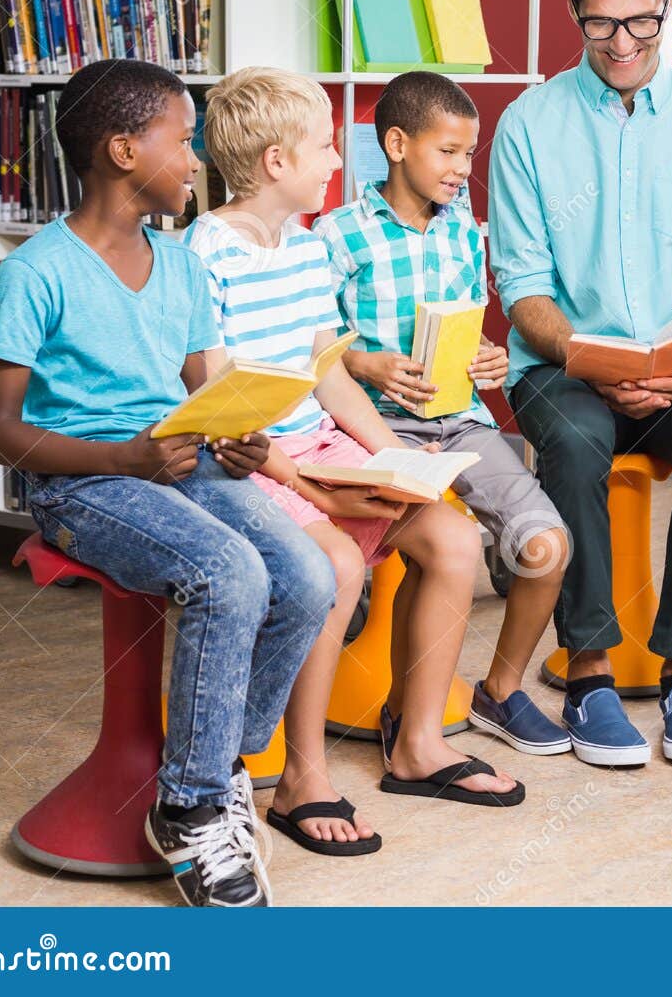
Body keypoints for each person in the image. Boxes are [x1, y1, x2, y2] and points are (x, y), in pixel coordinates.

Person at [0, 59, 337, 906]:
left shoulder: (178, 263)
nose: (198, 159)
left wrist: (236, 434)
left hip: (178, 456)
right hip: (84, 480)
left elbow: (196, 386)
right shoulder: (36, 273)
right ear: (123, 150)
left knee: (310, 572)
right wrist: (123, 459)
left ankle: (220, 768)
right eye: (184, 141)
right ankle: (190, 806)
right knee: (228, 571)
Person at [188, 67, 523, 861]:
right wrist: (303, 479)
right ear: (276, 162)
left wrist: (391, 452)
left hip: (320, 440)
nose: (337, 161)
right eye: (324, 147)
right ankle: (303, 776)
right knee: (336, 563)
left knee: (453, 541)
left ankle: (417, 747)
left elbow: (328, 374)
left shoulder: (305, 248)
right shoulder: (205, 250)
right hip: (248, 454)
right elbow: (212, 393)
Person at [489, 0, 672, 766]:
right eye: (601, 22)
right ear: (574, 9)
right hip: (562, 363)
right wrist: (589, 359)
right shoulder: (529, 124)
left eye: (642, 20)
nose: (623, 42)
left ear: (666, 3)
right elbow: (523, 285)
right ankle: (591, 673)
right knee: (573, 439)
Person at [314, 70, 572, 758]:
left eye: (469, 154)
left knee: (547, 547)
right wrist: (365, 364)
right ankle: (408, 713)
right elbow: (311, 354)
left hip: (462, 422)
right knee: (433, 552)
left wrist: (491, 357)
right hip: (374, 429)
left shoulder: (465, 231)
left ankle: (501, 689)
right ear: (397, 144)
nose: (463, 169)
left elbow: (465, 333)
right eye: (448, 151)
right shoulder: (338, 235)